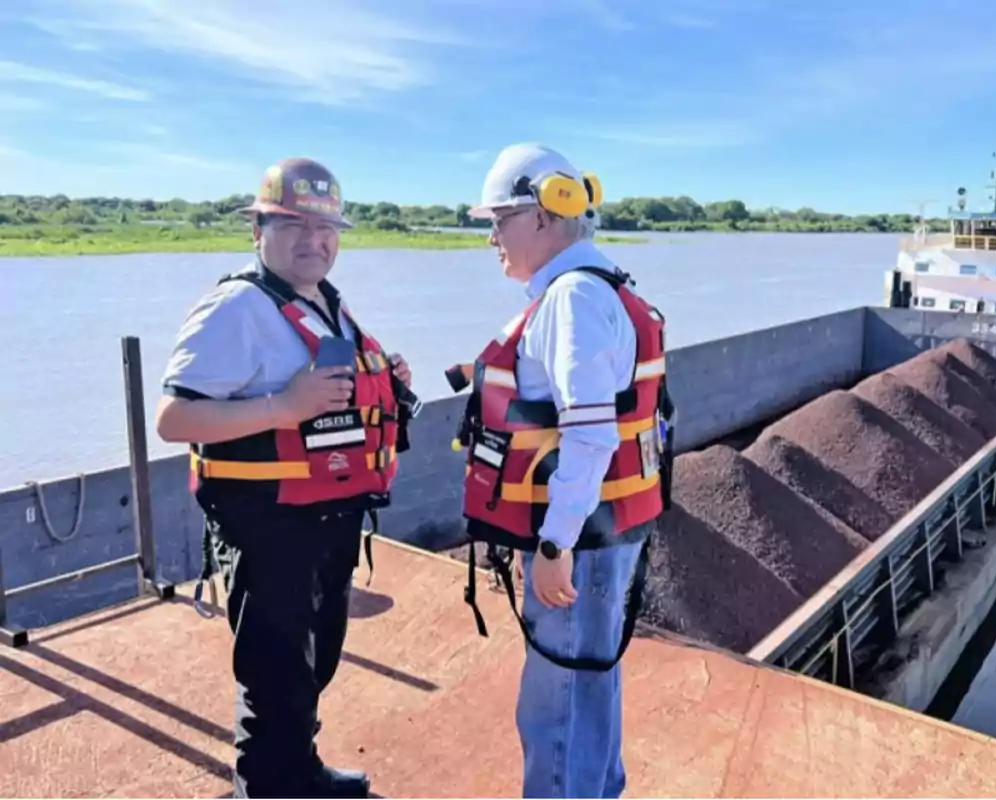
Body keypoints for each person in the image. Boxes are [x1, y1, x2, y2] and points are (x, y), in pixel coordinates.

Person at [155, 157, 415, 798]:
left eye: (325, 228)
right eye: (293, 225)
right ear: (258, 231)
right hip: (269, 523)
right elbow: (171, 418)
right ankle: (267, 786)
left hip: (330, 517)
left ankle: (300, 770)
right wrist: (282, 408)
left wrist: (386, 383)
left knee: (315, 660)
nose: (313, 241)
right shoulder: (235, 307)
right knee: (274, 675)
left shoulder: (327, 302)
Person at [449, 143, 676, 798]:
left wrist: (554, 543)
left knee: (557, 704)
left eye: (499, 219)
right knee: (590, 681)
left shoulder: (572, 298)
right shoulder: (598, 289)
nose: (491, 236)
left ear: (547, 215)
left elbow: (589, 429)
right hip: (605, 531)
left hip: (580, 539)